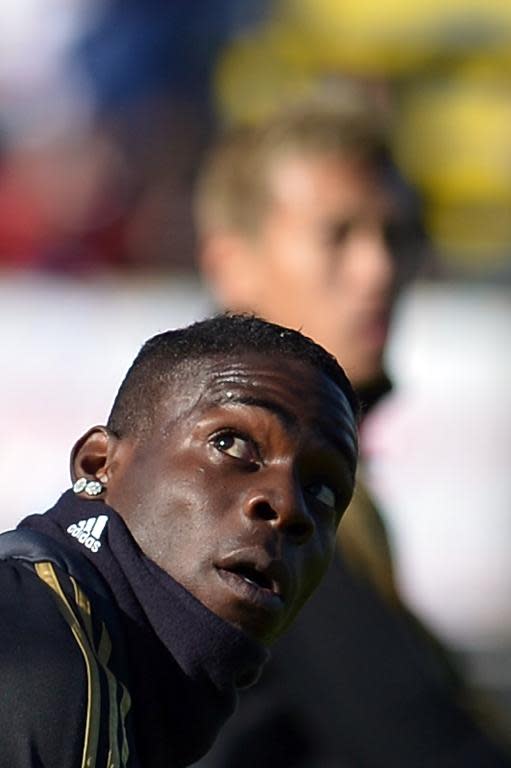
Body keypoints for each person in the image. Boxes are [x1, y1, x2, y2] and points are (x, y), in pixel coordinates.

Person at [193, 92, 511, 765]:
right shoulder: (237, 485)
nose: (378, 270)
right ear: (230, 261)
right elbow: (418, 745)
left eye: (393, 236)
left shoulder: (303, 469)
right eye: (337, 235)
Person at [0, 313, 359, 768]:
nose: (288, 506)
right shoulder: (39, 653)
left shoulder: (119, 683)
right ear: (98, 464)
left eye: (323, 491)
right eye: (231, 444)